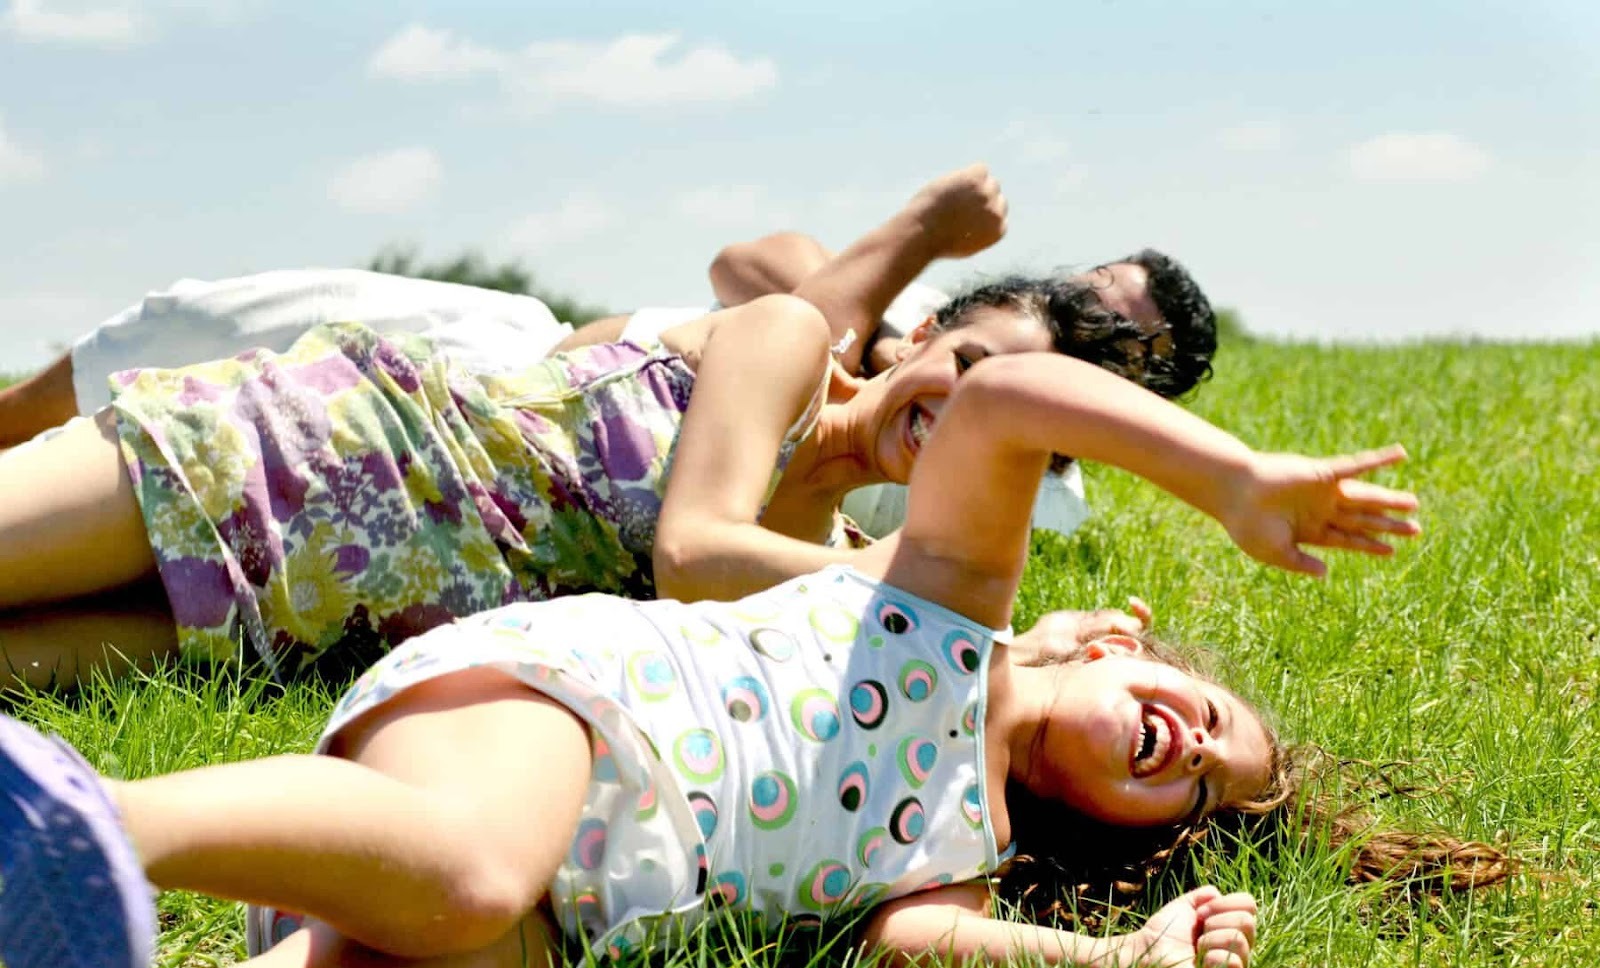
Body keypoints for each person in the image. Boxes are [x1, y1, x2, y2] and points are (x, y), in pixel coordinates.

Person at [0, 346, 1473, 968]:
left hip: (547, 904)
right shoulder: (948, 603)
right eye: (1205, 716)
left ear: (1118, 838)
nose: (1196, 752)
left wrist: (1131, 966)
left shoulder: (944, 855)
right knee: (465, 875)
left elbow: (917, 950)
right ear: (1111, 642)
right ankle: (98, 821)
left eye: (1198, 792)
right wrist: (1226, 474)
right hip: (552, 714)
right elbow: (1008, 402)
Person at [0, 263, 1192, 691]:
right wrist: (952, 597)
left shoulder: (826, 566)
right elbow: (693, 555)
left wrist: (1030, 648)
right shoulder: (782, 340)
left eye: (1002, 423)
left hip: (319, 613)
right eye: (972, 368)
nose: (958, 410)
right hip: (308, 455)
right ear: (926, 331)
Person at [0, 165, 1216, 542]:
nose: (1087, 309)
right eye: (1086, 284)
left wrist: (876, 313)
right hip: (517, 368)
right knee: (189, 330)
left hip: (521, 492)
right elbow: (750, 266)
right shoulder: (920, 328)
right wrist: (884, 316)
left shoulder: (1035, 486)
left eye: (1120, 329)